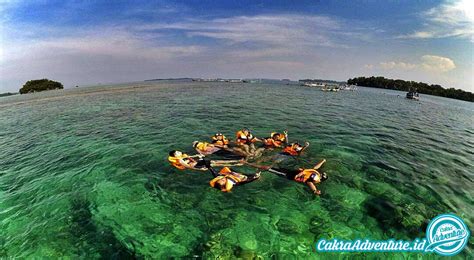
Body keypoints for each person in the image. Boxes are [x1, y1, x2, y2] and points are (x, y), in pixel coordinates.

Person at [257, 159, 328, 195]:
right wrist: (322, 162)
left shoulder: (313, 179)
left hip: (290, 175)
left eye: (321, 175)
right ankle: (263, 167)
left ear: (320, 178)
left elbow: (310, 183)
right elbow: (315, 168)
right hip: (293, 172)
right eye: (320, 174)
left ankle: (260, 169)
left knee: (271, 169)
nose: (320, 174)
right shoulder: (317, 174)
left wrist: (314, 191)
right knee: (278, 169)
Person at [168, 150, 244, 171]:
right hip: (198, 165)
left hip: (199, 162)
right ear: (175, 155)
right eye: (177, 152)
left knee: (216, 161)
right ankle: (237, 164)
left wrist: (197, 156)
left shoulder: (182, 156)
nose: (179, 152)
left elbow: (189, 157)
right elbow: (188, 166)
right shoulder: (181, 161)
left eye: (178, 151)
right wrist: (200, 169)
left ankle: (237, 161)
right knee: (217, 164)